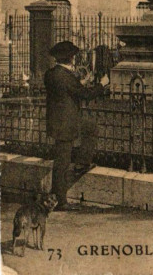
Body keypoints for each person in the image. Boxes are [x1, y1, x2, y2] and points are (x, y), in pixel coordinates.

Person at [44, 40, 108, 211]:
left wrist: (81, 81)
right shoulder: (65, 77)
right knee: (62, 163)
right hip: (66, 124)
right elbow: (84, 95)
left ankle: (82, 161)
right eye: (73, 57)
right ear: (70, 58)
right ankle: (61, 201)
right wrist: (102, 85)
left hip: (57, 122)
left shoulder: (50, 74)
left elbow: (70, 91)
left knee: (90, 127)